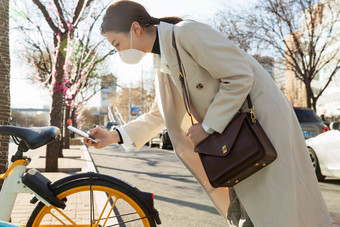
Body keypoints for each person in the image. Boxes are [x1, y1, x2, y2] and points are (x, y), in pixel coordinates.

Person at [85, 1, 332, 226]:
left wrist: (207, 126)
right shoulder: (162, 62)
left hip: (260, 129)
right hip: (234, 140)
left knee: (276, 210)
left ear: (136, 28)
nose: (119, 53)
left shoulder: (186, 33)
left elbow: (239, 76)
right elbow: (159, 114)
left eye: (117, 44)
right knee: (251, 210)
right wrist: (113, 135)